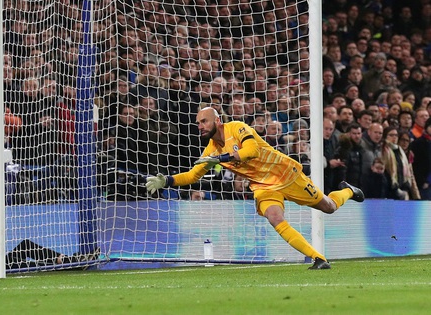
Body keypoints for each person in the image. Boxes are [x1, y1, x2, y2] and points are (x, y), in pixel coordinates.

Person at [145, 107, 364, 269]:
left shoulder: (237, 128)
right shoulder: (210, 150)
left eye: (204, 121)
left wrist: (221, 158)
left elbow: (251, 150)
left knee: (329, 206)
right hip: (263, 186)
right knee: (275, 218)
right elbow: (193, 175)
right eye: (198, 123)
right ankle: (319, 258)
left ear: (217, 121)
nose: (200, 126)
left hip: (285, 174)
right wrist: (167, 181)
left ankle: (348, 191)